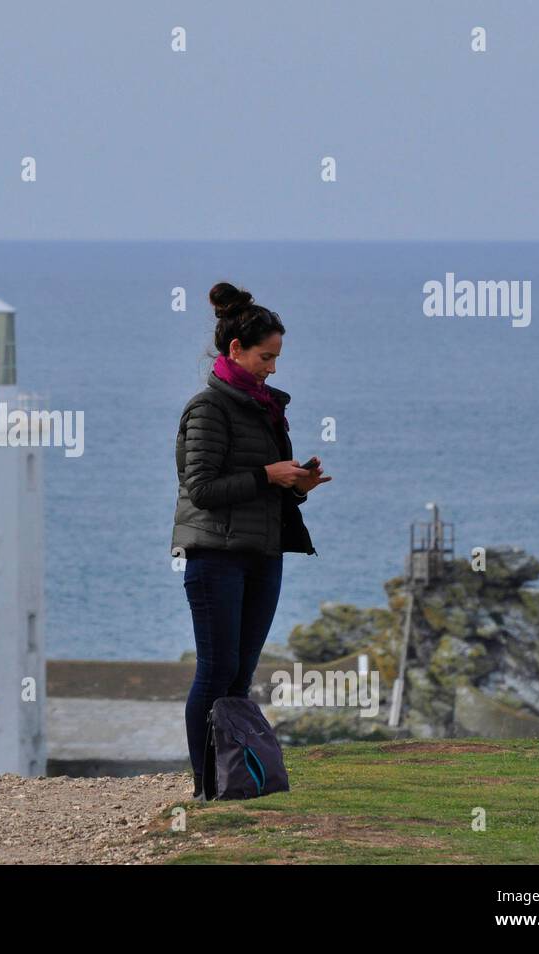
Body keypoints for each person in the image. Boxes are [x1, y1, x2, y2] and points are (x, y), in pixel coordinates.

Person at [172, 282, 332, 799]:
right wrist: (268, 474)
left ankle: (231, 782)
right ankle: (204, 788)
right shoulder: (208, 409)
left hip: (261, 554)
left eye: (278, 356)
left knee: (239, 677)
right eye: (267, 356)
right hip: (214, 556)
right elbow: (201, 488)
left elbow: (262, 485)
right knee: (216, 672)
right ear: (235, 350)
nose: (274, 367)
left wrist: (296, 485)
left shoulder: (265, 407)